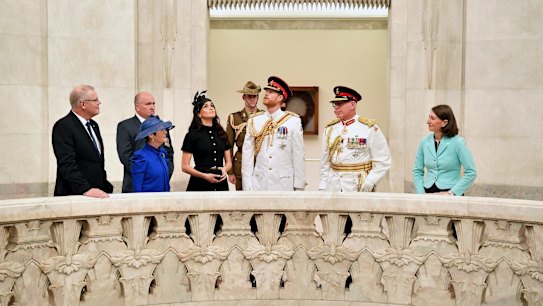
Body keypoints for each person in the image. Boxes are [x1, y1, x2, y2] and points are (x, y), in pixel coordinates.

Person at [319, 86, 391, 192]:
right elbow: (325, 163)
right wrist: (322, 185)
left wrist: (371, 181)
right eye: (335, 104)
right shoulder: (330, 129)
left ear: (353, 104)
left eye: (340, 104)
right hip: (333, 185)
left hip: (357, 185)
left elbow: (383, 161)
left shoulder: (369, 128)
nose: (336, 107)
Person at [242, 76, 306, 191]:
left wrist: (299, 187)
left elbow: (298, 155)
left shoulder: (293, 121)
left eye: (271, 92)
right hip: (259, 183)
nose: (266, 94)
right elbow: (247, 156)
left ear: (280, 97)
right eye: (266, 91)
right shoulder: (254, 120)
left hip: (284, 184)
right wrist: (247, 185)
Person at [52, 85, 113, 198]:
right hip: (75, 195)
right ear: (83, 104)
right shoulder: (64, 126)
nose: (99, 103)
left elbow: (96, 162)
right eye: (95, 100)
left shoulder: (94, 126)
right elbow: (67, 164)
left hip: (97, 194)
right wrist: (85, 189)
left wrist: (106, 187)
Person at [116, 92, 174, 193]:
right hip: (137, 185)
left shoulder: (161, 126)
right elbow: (125, 156)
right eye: (148, 104)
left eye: (153, 104)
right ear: (137, 107)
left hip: (161, 185)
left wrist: (162, 173)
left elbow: (169, 152)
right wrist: (147, 175)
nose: (152, 107)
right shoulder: (125, 126)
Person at [413, 104, 476, 196]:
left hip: (451, 194)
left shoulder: (458, 142)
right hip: (427, 193)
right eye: (429, 117)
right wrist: (421, 194)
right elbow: (417, 170)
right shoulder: (424, 142)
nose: (428, 121)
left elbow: (471, 172)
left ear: (444, 122)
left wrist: (451, 193)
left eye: (432, 118)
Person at [181, 91, 232, 191]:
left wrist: (224, 169)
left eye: (212, 105)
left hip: (220, 182)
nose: (211, 108)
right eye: (206, 106)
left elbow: (229, 162)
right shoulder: (192, 135)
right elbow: (185, 166)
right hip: (199, 183)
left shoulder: (221, 133)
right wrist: (205, 176)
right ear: (198, 114)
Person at [225, 81, 262, 190]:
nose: (252, 99)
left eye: (254, 96)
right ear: (244, 97)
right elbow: (229, 146)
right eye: (249, 96)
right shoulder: (235, 117)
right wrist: (230, 171)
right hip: (240, 162)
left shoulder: (264, 116)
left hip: (260, 161)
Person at [131, 115, 175, 192]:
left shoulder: (162, 153)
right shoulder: (140, 156)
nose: (165, 132)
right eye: (161, 129)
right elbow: (137, 189)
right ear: (151, 135)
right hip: (148, 202)